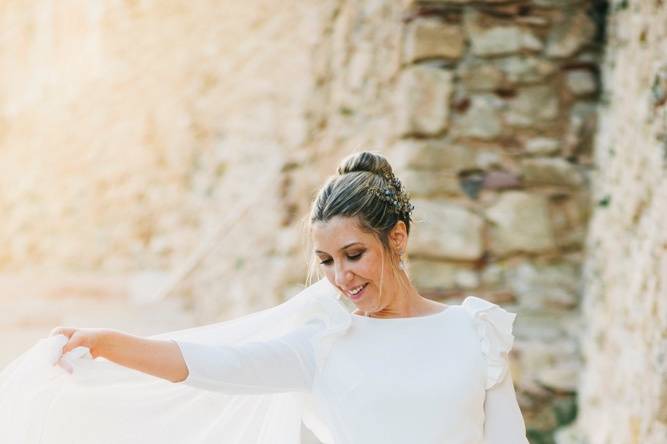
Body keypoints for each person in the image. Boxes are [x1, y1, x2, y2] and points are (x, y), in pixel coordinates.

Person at [0, 151, 529, 444]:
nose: (342, 277)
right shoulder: (323, 345)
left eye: (353, 254)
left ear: (396, 239)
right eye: (326, 262)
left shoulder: (473, 332)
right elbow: (214, 364)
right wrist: (110, 342)